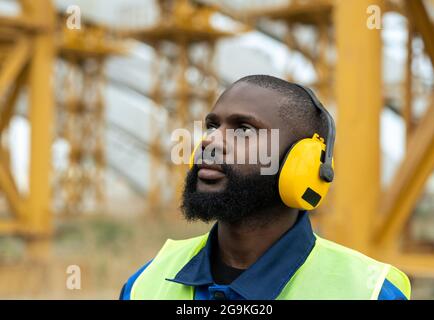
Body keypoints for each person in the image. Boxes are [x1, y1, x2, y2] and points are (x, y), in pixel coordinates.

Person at [120, 75, 411, 300]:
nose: (210, 141)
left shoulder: (368, 292)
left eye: (244, 130)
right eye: (212, 126)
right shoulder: (146, 285)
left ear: (301, 164)